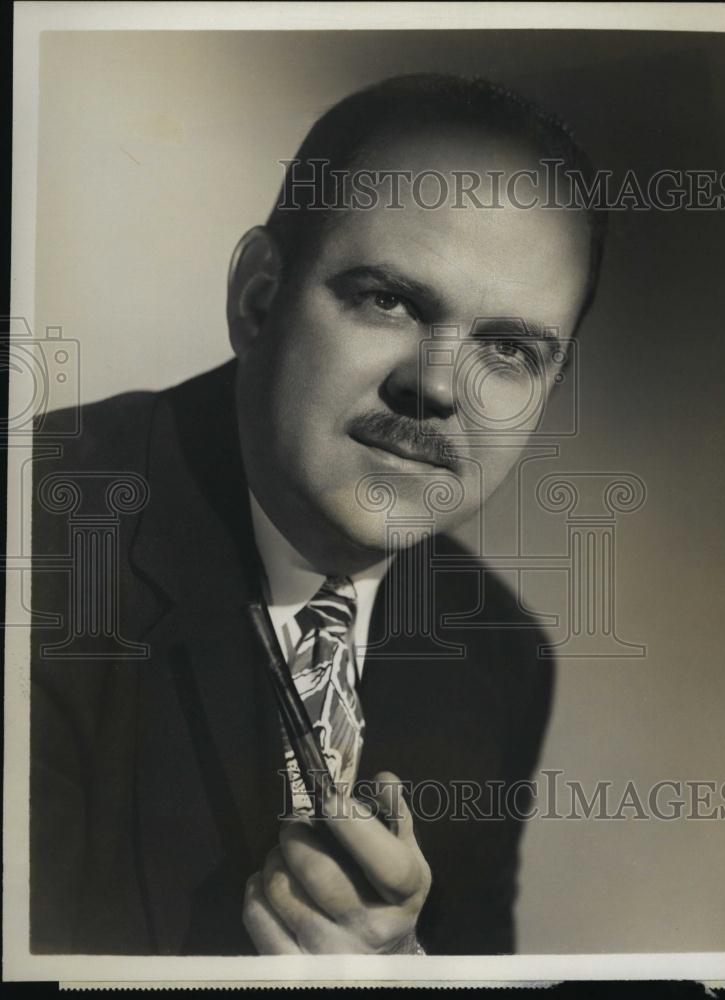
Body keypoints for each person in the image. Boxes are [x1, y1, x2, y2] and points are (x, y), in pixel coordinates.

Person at [29, 73, 606, 956]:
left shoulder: (497, 653)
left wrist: (404, 973)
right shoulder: (37, 536)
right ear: (259, 300)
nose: (437, 387)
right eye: (390, 300)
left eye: (508, 349)